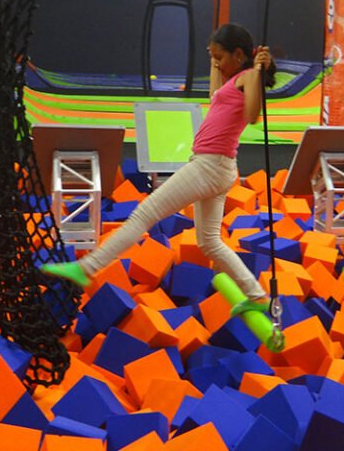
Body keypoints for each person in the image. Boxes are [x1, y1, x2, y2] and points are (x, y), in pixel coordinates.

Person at [42, 23, 277, 315]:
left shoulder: (246, 78)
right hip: (220, 166)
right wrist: (216, 59)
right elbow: (214, 95)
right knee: (210, 242)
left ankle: (87, 268)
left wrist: (256, 71)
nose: (215, 63)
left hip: (209, 166)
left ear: (239, 55)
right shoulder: (233, 81)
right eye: (213, 57)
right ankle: (257, 296)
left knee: (143, 214)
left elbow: (253, 116)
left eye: (220, 57)